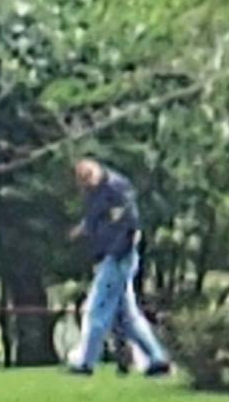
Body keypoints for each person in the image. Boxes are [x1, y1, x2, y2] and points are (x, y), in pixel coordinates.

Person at [64, 155, 174, 378]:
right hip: (110, 255)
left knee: (97, 309)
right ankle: (157, 359)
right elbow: (97, 219)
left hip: (118, 256)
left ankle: (86, 361)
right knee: (127, 318)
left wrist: (118, 252)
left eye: (86, 179)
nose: (84, 185)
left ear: (94, 172)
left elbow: (129, 223)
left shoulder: (116, 188)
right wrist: (82, 230)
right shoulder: (96, 192)